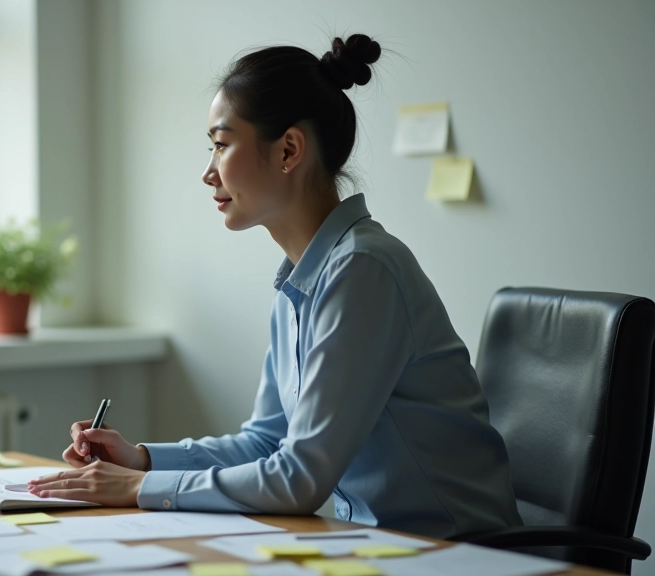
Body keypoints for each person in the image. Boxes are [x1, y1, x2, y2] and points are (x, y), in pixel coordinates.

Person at [27, 35, 523, 539]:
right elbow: (267, 443)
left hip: (461, 554)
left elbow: (300, 480)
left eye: (221, 145)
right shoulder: (300, 281)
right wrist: (141, 460)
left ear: (288, 149)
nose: (207, 172)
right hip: (378, 548)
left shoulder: (364, 270)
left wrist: (138, 489)